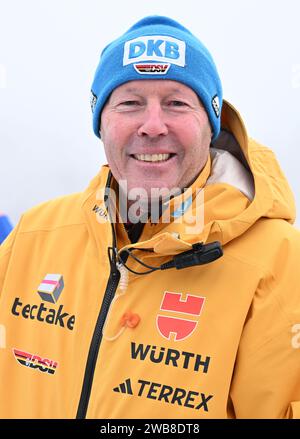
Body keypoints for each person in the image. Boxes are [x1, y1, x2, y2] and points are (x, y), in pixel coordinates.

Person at [0, 15, 300, 420]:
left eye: (176, 102)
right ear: (101, 123)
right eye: (130, 103)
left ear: (210, 125)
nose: (153, 126)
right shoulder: (33, 235)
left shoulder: (280, 263)